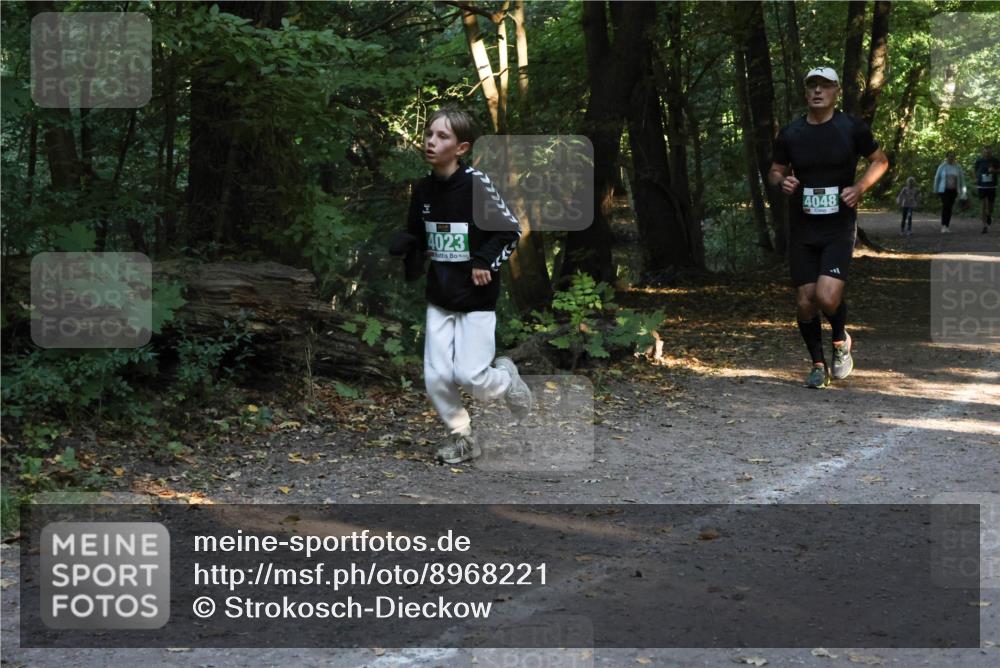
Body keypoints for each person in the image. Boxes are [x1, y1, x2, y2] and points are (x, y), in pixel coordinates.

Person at [389, 107, 532, 464]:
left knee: (471, 376)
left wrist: (483, 261)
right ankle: (463, 438)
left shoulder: (475, 185)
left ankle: (507, 379)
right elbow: (418, 233)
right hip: (440, 295)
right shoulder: (423, 189)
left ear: (462, 148)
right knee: (436, 377)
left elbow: (509, 230)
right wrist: (408, 245)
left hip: (475, 298)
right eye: (429, 134)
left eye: (442, 136)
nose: (431, 141)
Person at [768, 67, 888, 389]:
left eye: (825, 86)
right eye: (812, 86)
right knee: (805, 301)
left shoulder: (851, 127)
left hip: (838, 226)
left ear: (837, 92)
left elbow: (880, 160)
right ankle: (818, 365)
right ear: (806, 92)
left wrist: (860, 187)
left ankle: (840, 340)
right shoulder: (791, 133)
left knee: (827, 297)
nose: (818, 91)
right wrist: (783, 181)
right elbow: (775, 171)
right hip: (803, 228)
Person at [933, 151, 967, 233]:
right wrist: (935, 189)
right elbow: (937, 178)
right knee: (946, 206)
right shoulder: (942, 166)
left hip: (953, 190)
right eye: (950, 156)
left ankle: (947, 225)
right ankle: (943, 225)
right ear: (947, 157)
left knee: (950, 207)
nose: (951, 158)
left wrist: (964, 191)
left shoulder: (958, 167)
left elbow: (962, 180)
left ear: (955, 157)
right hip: (943, 190)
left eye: (953, 156)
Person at [974, 145, 999, 233]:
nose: (987, 154)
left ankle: (989, 215)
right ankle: (984, 226)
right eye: (985, 152)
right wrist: (976, 178)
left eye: (989, 152)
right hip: (981, 186)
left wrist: (994, 171)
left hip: (992, 186)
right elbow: (975, 171)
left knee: (991, 206)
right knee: (983, 205)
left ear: (991, 152)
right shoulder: (979, 161)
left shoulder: (995, 160)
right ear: (983, 152)